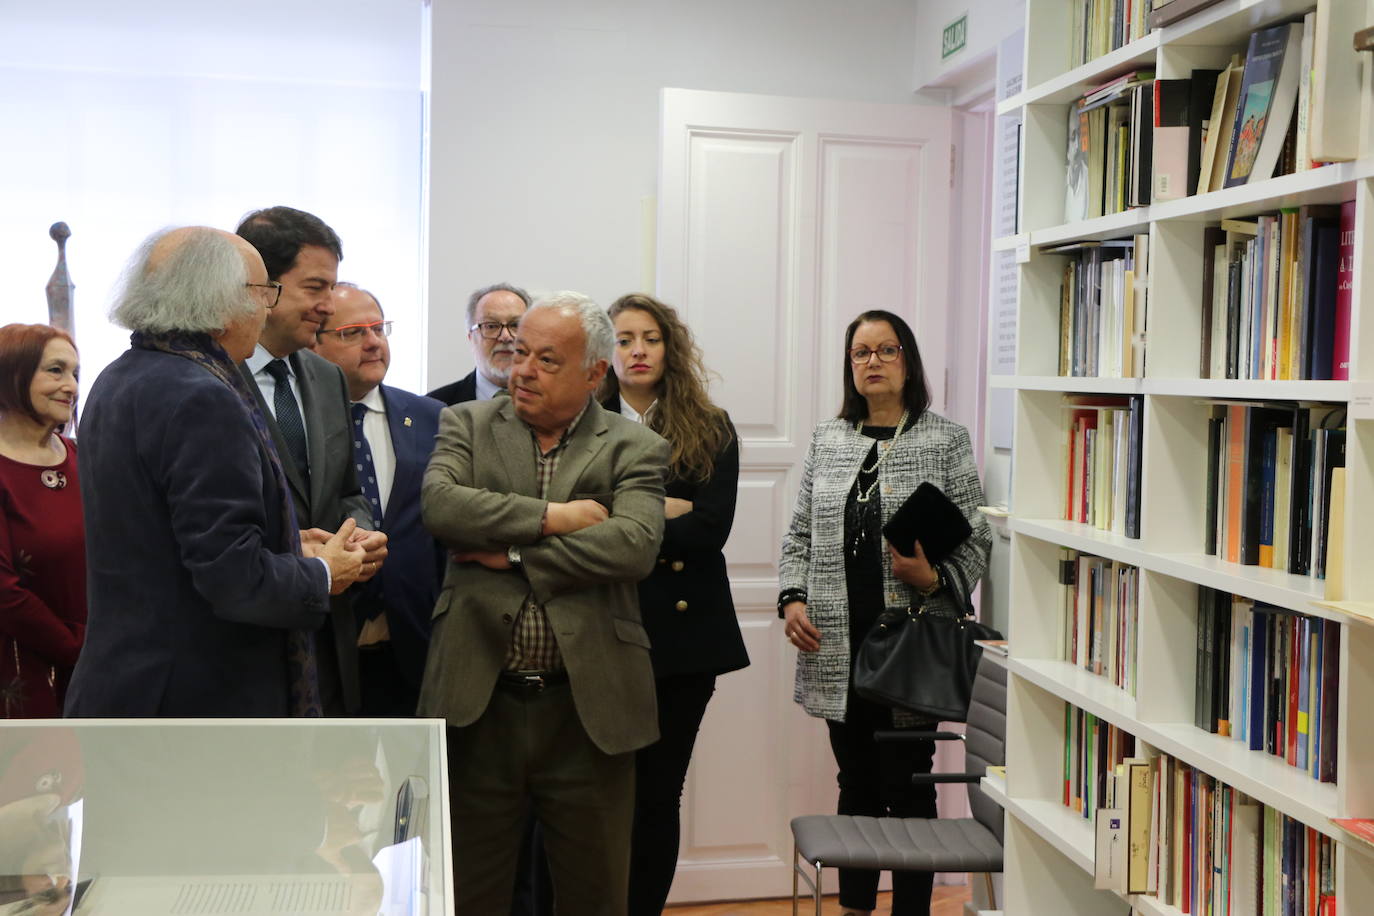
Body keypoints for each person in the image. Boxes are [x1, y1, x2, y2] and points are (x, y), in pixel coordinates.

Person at [419, 291, 669, 915]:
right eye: (519, 352)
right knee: (468, 890)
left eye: (546, 359)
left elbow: (633, 546)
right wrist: (556, 517)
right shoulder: (467, 424)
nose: (522, 369)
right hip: (481, 701)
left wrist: (511, 555)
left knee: (594, 894)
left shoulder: (633, 447)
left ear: (594, 373)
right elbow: (443, 509)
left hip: (588, 708)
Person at [65, 227, 364, 717]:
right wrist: (324, 571)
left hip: (128, 688)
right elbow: (235, 580)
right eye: (263, 291)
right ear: (222, 302)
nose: (267, 308)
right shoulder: (203, 396)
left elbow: (164, 542)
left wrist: (289, 544)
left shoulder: (121, 376)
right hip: (196, 705)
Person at [777, 309, 991, 916]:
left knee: (910, 788)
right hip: (837, 646)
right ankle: (854, 908)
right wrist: (792, 596)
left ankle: (911, 910)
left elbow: (977, 536)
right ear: (850, 367)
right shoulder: (829, 438)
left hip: (911, 647)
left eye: (886, 350)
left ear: (907, 360)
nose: (872, 362)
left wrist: (935, 578)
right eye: (860, 353)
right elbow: (798, 533)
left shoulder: (943, 438)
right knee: (857, 784)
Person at [601, 293, 749, 913]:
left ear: (671, 348)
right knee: (599, 795)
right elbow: (568, 526)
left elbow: (709, 530)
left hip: (684, 643)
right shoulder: (583, 419)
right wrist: (663, 509)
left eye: (651, 338)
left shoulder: (709, 426)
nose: (637, 350)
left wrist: (618, 516)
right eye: (624, 338)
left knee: (658, 796)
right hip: (600, 631)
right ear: (604, 351)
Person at [236, 206, 389, 716]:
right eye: (315, 288)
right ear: (263, 286)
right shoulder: (210, 381)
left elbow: (346, 490)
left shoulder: (325, 378)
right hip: (245, 640)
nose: (329, 306)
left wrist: (359, 535)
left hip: (328, 633)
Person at [312, 282, 444, 716]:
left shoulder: (431, 417)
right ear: (314, 342)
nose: (373, 343)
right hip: (326, 644)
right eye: (353, 333)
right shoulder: (295, 426)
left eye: (379, 329)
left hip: (413, 643)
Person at [0, 324, 84, 718]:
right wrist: (78, 648)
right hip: (20, 672)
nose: (70, 386)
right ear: (13, 374)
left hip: (98, 667)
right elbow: (5, 593)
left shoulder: (82, 457)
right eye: (55, 370)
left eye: (74, 374)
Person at [427, 282, 530, 405]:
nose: (505, 336)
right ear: (471, 337)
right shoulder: (435, 406)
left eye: (515, 325)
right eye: (491, 326)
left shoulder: (555, 404)